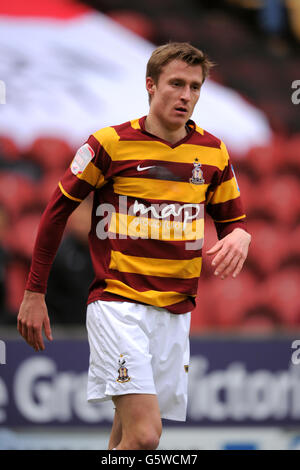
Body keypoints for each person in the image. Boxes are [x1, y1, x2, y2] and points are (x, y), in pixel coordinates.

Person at [17, 42, 251, 450]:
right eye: (176, 84)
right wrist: (34, 291)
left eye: (195, 87)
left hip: (175, 312)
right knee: (145, 437)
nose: (186, 96)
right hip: (118, 304)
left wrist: (242, 236)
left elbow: (234, 224)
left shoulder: (212, 152)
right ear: (150, 85)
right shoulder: (108, 144)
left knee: (124, 437)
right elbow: (55, 213)